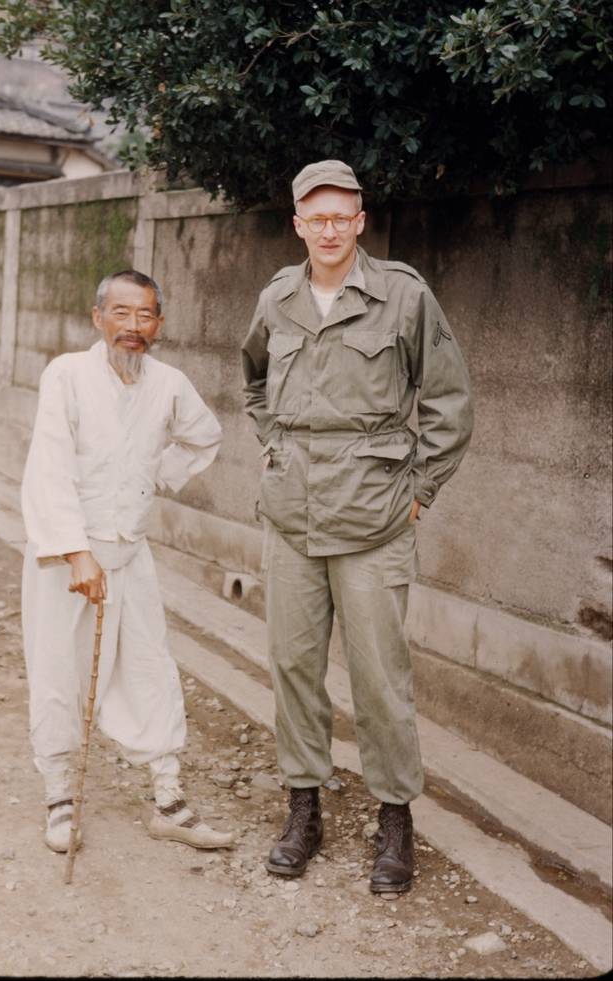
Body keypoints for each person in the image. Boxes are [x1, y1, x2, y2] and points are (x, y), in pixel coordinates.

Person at [241, 160, 473, 893]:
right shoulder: (278, 296)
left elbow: (448, 401)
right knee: (294, 667)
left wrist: (419, 492)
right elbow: (252, 379)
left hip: (374, 515)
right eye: (317, 217)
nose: (331, 228)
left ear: (362, 220)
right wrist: (276, 446)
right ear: (299, 223)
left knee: (379, 677)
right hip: (291, 515)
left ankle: (395, 819)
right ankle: (303, 808)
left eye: (343, 215)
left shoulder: (403, 295)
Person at [21, 269, 235, 854]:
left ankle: (168, 799)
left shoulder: (168, 383)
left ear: (159, 324)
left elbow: (204, 437)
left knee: (148, 666)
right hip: (65, 560)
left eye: (144, 316)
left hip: (130, 552)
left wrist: (154, 480)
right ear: (98, 318)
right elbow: (49, 467)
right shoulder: (66, 374)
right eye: (121, 313)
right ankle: (60, 798)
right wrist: (75, 552)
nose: (132, 327)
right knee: (60, 672)